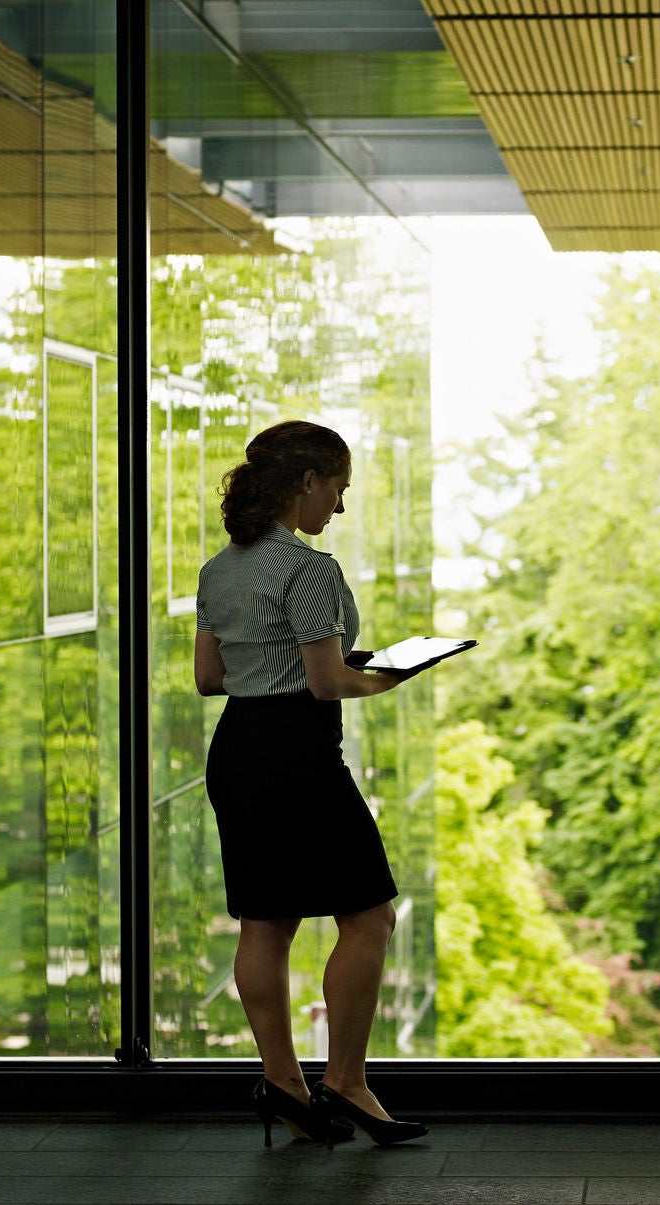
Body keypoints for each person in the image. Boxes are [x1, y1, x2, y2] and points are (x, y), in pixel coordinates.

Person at [194, 419, 427, 1148]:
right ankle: (349, 1082)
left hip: (237, 749)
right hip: (298, 751)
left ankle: (286, 1084)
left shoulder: (219, 568)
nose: (339, 507)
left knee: (265, 922)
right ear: (306, 483)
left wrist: (277, 664)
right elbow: (327, 683)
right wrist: (384, 678)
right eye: (338, 489)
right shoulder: (310, 569)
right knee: (369, 916)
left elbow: (209, 678)